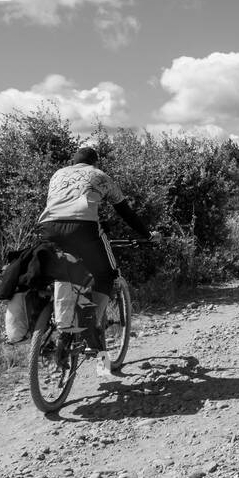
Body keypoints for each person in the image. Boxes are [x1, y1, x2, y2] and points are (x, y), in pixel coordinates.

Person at [37, 146, 159, 375]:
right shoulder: (101, 176)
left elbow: (61, 206)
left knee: (64, 270)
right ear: (94, 163)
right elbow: (126, 212)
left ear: (73, 162)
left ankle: (60, 327)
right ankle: (91, 322)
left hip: (47, 229)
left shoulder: (58, 174)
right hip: (84, 228)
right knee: (106, 274)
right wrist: (146, 235)